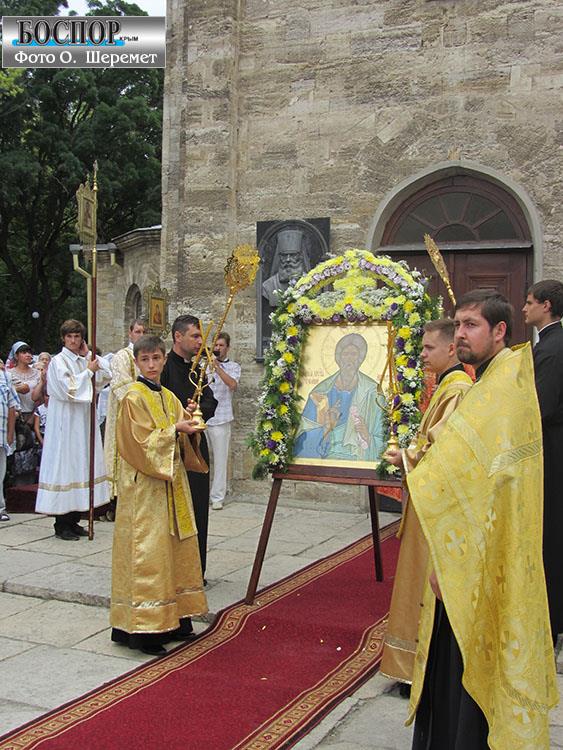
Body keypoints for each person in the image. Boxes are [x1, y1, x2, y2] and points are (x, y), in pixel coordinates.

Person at [407, 290, 558, 749]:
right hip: (466, 545)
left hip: (481, 551)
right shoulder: (491, 380)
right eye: (457, 325)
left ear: (499, 331)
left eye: (471, 325)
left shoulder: (503, 386)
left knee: (471, 659)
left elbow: (488, 476)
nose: (460, 334)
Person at [380, 319, 472, 687]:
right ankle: (411, 666)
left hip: (436, 506)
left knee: (423, 580)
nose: (422, 354)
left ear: (451, 349)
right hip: (425, 499)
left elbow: (444, 449)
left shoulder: (458, 390)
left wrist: (405, 456)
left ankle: (417, 669)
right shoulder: (446, 385)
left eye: (428, 348)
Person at [110, 335, 208, 656]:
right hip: (145, 489)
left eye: (156, 359)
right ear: (137, 363)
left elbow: (183, 438)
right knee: (149, 554)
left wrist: (189, 424)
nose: (151, 365)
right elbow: (137, 444)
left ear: (164, 359)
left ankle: (176, 618)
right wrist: (175, 430)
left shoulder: (170, 397)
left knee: (174, 549)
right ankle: (145, 630)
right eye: (145, 360)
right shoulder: (133, 398)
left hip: (173, 486)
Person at [35, 320, 111, 541]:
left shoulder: (83, 359)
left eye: (77, 337)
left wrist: (89, 356)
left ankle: (75, 519)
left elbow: (107, 375)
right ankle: (62, 524)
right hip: (65, 422)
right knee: (66, 467)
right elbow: (68, 388)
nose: (73, 340)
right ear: (63, 338)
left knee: (81, 465)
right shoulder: (58, 362)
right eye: (70, 336)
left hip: (82, 421)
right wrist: (88, 372)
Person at [522, 279, 563, 646]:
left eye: (530, 302)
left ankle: (551, 620)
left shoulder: (551, 347)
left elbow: (542, 406)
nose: (524, 308)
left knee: (550, 532)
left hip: (551, 449)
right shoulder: (551, 343)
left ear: (546, 306)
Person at [161, 314, 217, 576]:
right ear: (178, 336)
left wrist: (198, 411)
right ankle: (172, 571)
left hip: (196, 445)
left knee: (198, 507)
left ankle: (196, 571)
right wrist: (180, 416)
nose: (200, 342)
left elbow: (211, 401)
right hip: (172, 448)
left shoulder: (197, 369)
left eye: (201, 336)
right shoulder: (164, 368)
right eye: (195, 336)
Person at [293, 332, 387, 462]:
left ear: (361, 358)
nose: (349, 359)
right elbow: (303, 439)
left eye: (354, 354)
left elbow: (384, 439)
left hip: (359, 459)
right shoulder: (320, 392)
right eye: (345, 354)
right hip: (325, 459)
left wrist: (367, 436)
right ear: (338, 358)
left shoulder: (373, 392)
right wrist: (326, 428)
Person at [103, 319, 146, 520]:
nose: (140, 335)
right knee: (121, 455)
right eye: (137, 331)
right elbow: (121, 384)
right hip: (125, 413)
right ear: (130, 333)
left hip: (144, 416)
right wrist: (142, 400)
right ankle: (116, 502)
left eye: (144, 332)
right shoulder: (122, 356)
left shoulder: (146, 356)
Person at [206, 332, 241, 510]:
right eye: (216, 345)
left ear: (227, 348)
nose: (218, 348)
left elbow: (232, 385)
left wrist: (218, 368)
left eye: (221, 345)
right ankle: (201, 494)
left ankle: (217, 497)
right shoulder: (204, 365)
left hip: (221, 418)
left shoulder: (233, 366)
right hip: (204, 418)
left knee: (220, 460)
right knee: (201, 459)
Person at [9, 342, 43, 484]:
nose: (28, 355)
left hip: (34, 414)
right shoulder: (9, 374)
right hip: (17, 416)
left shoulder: (37, 373)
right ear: (16, 356)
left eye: (29, 352)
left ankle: (31, 482)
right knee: (18, 451)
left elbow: (40, 396)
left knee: (32, 451)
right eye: (24, 352)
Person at [262, 228, 311, 306]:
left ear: (300, 256)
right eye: (284, 255)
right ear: (279, 257)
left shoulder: (311, 283)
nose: (288, 259)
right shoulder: (268, 285)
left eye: (293, 255)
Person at [0, 358, 19, 521]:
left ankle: (0, 508)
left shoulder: (5, 376)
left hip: (1, 433)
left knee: (0, 473)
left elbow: (12, 405)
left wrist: (10, 433)